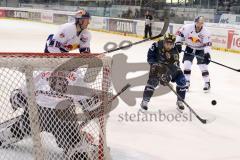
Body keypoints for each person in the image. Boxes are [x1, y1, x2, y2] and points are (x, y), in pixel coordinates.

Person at [0, 10, 100, 160]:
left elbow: (84, 53)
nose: (88, 22)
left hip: (36, 110)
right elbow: (52, 49)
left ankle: (6, 135)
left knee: (24, 126)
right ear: (79, 20)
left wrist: (19, 97)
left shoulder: (85, 36)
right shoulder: (67, 30)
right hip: (62, 114)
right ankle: (75, 146)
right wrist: (94, 104)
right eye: (85, 20)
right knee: (72, 139)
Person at [141, 33, 187, 111]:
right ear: (164, 41)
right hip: (157, 66)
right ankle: (145, 101)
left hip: (171, 68)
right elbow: (150, 57)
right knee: (153, 81)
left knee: (182, 80)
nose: (169, 46)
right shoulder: (156, 45)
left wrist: (168, 76)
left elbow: (175, 66)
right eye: (167, 43)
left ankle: (180, 101)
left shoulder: (175, 52)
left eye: (171, 44)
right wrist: (154, 65)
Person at [175, 16, 212, 92]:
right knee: (186, 64)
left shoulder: (205, 32)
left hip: (200, 49)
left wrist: (207, 54)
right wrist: (178, 43)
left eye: (202, 23)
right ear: (195, 22)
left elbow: (207, 44)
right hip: (189, 48)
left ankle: (207, 83)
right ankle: (187, 82)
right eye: (198, 22)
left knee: (203, 66)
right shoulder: (187, 27)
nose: (200, 24)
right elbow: (179, 34)